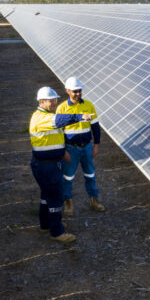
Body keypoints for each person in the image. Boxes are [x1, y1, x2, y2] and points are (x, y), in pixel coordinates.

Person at [29, 86, 92, 243]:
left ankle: (46, 225)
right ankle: (57, 232)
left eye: (55, 99)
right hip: (46, 166)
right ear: (41, 102)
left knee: (46, 196)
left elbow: (56, 134)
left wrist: (63, 152)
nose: (55, 102)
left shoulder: (46, 115)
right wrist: (80, 116)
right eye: (51, 100)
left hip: (46, 164)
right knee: (56, 197)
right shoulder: (41, 118)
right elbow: (61, 120)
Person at [57, 76, 105, 216]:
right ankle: (68, 203)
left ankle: (94, 200)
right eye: (75, 91)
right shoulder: (62, 108)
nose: (78, 93)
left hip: (87, 147)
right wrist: (62, 150)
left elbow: (95, 127)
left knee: (90, 174)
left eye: (79, 90)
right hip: (70, 148)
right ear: (67, 91)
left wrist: (96, 145)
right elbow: (58, 132)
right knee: (68, 177)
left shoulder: (88, 105)